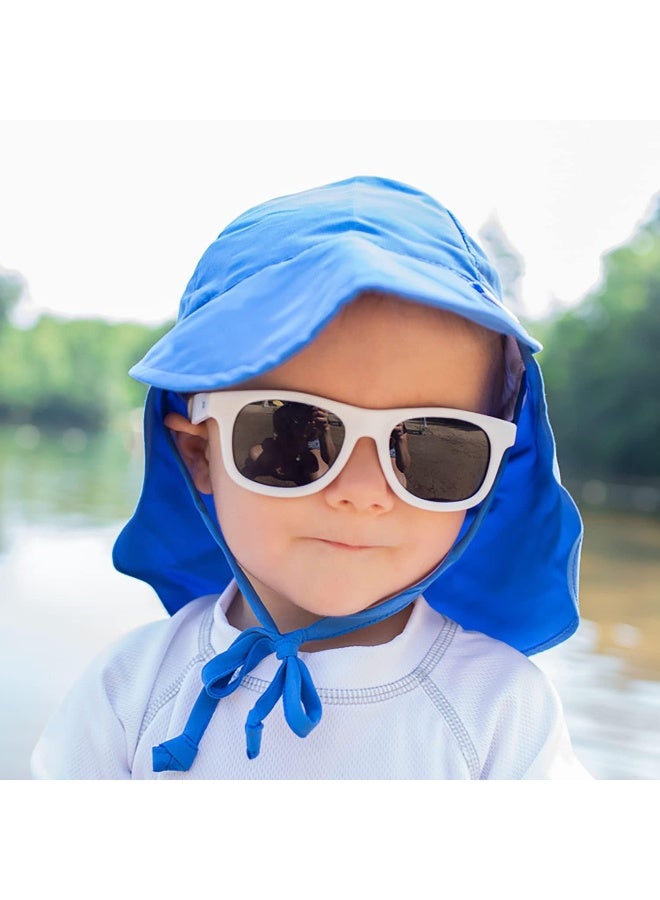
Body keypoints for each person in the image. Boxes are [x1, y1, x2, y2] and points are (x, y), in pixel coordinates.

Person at [31, 176, 591, 779]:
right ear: (199, 453)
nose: (362, 492)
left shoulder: (501, 715)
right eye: (295, 436)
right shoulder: (129, 691)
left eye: (433, 447)